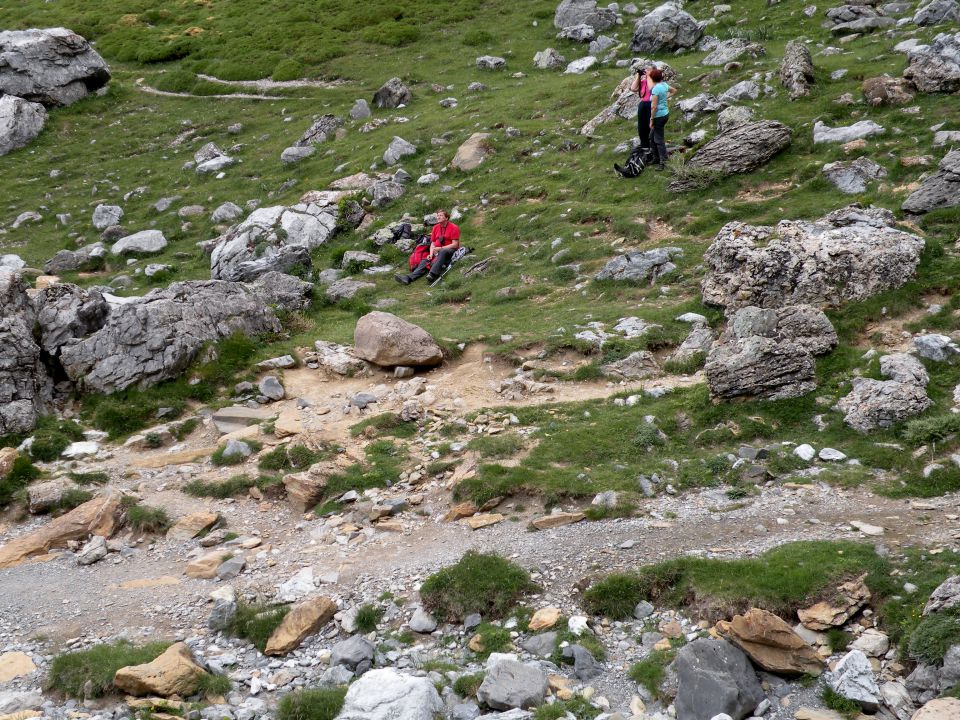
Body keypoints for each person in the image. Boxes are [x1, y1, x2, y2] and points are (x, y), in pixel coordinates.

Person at [394, 209, 460, 284]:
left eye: (441, 215)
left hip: (450, 250)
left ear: (446, 218)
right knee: (425, 260)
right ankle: (408, 278)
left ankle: (432, 274)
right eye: (437, 215)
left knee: (443, 251)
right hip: (437, 252)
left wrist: (441, 248)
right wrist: (431, 254)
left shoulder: (454, 227)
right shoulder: (435, 227)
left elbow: (455, 244)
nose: (438, 217)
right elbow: (433, 243)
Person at [648, 67, 677, 171]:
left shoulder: (655, 89)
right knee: (651, 137)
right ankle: (656, 158)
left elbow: (654, 107)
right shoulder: (664, 85)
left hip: (658, 116)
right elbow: (674, 90)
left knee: (658, 139)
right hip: (665, 114)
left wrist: (651, 120)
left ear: (652, 78)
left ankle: (663, 161)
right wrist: (665, 98)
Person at [629, 63, 654, 158]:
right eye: (646, 70)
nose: (646, 71)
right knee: (642, 127)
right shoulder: (643, 81)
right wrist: (638, 76)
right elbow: (633, 88)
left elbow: (651, 88)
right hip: (643, 104)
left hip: (652, 105)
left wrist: (648, 76)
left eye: (649, 70)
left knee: (651, 127)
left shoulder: (656, 81)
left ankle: (653, 148)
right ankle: (645, 148)